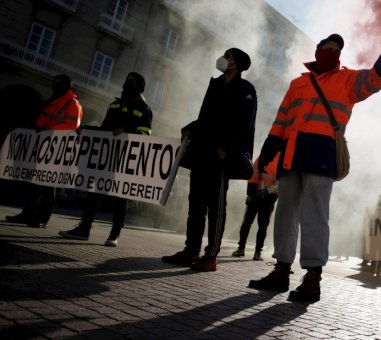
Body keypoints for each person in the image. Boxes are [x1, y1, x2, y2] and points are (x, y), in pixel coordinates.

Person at [248, 27, 381, 302]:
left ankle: (312, 279)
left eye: (337, 50)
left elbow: (375, 79)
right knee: (285, 214)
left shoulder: (348, 79)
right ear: (317, 50)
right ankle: (281, 270)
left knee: (314, 216)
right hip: (290, 154)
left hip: (321, 156)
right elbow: (282, 120)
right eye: (328, 47)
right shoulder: (297, 83)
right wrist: (268, 149)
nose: (332, 52)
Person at [162, 48, 257, 272]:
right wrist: (190, 128)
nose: (224, 59)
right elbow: (205, 116)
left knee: (216, 206)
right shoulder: (214, 84)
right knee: (196, 203)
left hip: (222, 155)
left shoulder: (246, 89)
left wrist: (227, 148)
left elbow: (245, 122)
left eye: (229, 56)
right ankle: (190, 250)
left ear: (238, 64)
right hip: (202, 151)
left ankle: (211, 255)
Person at [58, 72, 152, 246]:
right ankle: (83, 229)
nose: (129, 83)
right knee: (94, 191)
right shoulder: (115, 104)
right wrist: (86, 130)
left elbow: (144, 134)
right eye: (127, 80)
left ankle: (114, 235)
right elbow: (103, 129)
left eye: (133, 81)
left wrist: (126, 132)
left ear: (140, 86)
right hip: (104, 155)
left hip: (124, 158)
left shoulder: (143, 108)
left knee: (120, 195)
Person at [5, 74, 83, 228]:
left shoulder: (72, 103)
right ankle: (27, 214)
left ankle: (41, 218)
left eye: (59, 83)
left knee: (48, 184)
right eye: (54, 82)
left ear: (67, 85)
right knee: (36, 182)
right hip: (42, 145)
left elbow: (72, 125)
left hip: (55, 149)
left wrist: (49, 129)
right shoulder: (54, 100)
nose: (55, 85)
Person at [231, 154, 279, 261]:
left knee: (247, 222)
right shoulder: (282, 160)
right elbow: (280, 183)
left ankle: (241, 249)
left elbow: (253, 174)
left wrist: (251, 193)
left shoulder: (263, 156)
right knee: (262, 225)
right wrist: (267, 191)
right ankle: (257, 253)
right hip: (268, 197)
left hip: (257, 195)